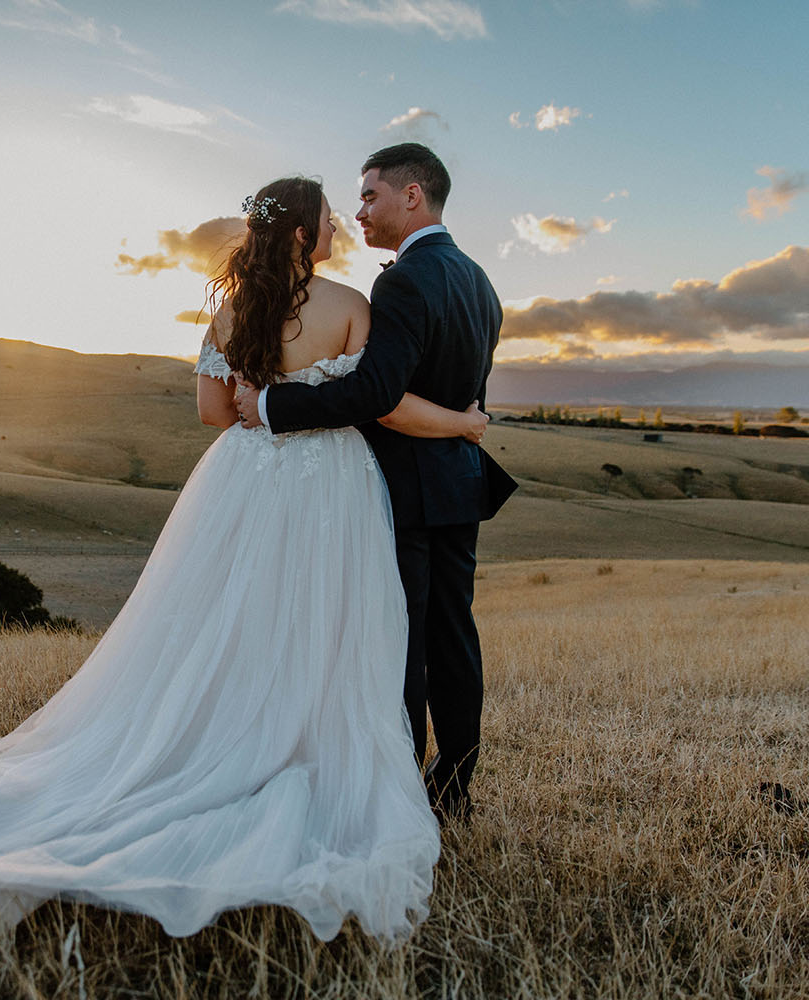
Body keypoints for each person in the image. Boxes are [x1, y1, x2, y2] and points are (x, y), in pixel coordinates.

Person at [0, 175, 487, 954]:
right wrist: (462, 421)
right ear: (298, 235)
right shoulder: (352, 304)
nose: (337, 231)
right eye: (326, 220)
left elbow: (212, 414)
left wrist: (265, 408)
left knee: (225, 621)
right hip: (333, 486)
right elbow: (375, 403)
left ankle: (221, 742)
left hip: (243, 480)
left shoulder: (228, 312)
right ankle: (299, 749)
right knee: (325, 622)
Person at [236, 144, 515, 824]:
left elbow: (380, 396)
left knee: (403, 641)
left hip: (406, 486)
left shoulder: (402, 282)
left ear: (411, 196)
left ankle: (395, 791)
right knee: (454, 634)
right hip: (458, 481)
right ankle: (453, 787)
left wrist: (274, 407)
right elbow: (466, 390)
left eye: (369, 196)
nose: (359, 211)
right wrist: (463, 425)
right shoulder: (479, 281)